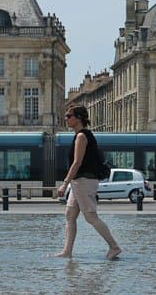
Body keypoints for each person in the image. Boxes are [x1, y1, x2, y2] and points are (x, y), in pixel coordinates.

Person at [55, 105, 122, 260]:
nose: (66, 118)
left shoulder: (81, 136)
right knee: (70, 215)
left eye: (69, 116)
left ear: (78, 118)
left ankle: (114, 247)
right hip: (79, 181)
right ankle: (67, 251)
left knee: (90, 216)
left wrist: (65, 183)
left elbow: (77, 162)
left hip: (84, 181)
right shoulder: (81, 135)